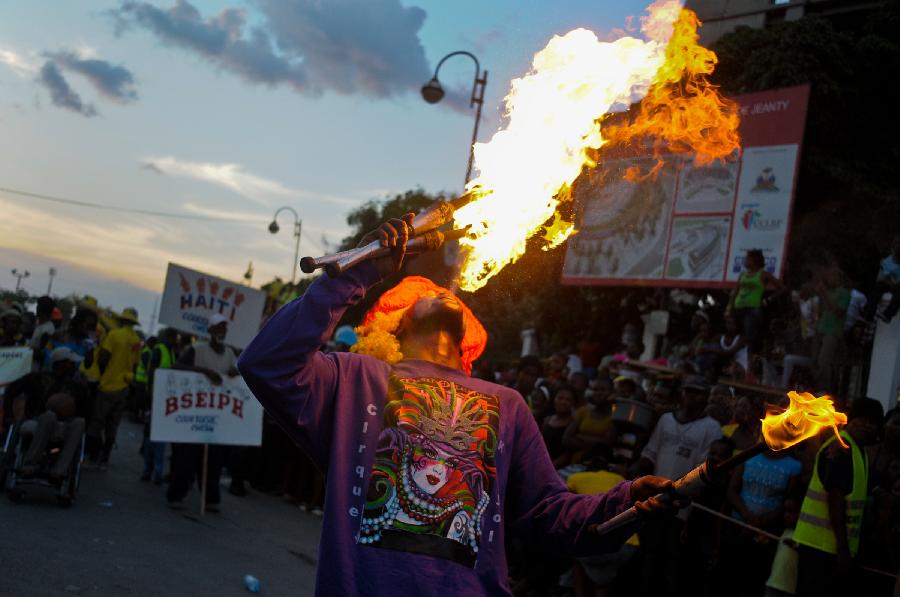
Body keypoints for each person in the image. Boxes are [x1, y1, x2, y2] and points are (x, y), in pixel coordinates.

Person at [237, 214, 677, 596]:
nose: (440, 291)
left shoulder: (508, 403)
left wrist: (625, 501)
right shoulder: (356, 378)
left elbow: (548, 514)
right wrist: (357, 274)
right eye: (418, 290)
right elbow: (266, 362)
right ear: (394, 321)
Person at [635, 375, 722, 596]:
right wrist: (639, 468)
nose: (692, 396)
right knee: (648, 553)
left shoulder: (712, 428)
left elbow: (704, 469)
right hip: (654, 498)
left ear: (706, 397)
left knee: (672, 559)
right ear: (682, 393)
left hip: (683, 504)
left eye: (698, 393)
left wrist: (681, 490)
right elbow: (651, 452)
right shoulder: (666, 419)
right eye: (688, 391)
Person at [794, 397, 884, 596]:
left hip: (829, 547)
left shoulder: (857, 449)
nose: (866, 426)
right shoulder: (841, 447)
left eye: (872, 422)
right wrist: (843, 550)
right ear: (850, 420)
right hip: (821, 548)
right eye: (861, 419)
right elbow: (835, 498)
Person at [167, 314, 239, 511]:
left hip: (217, 415)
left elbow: (237, 374)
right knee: (186, 456)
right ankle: (177, 493)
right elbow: (177, 367)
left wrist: (235, 373)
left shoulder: (230, 354)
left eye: (223, 328)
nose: (221, 332)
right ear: (209, 331)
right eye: (217, 328)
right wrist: (202, 371)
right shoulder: (197, 349)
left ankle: (211, 499)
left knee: (214, 460)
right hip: (194, 412)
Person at [5, 347, 88, 481]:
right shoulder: (36, 378)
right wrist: (9, 416)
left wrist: (85, 389)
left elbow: (84, 411)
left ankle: (59, 470)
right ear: (60, 364)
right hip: (36, 422)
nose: (74, 365)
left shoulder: (74, 385)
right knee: (49, 416)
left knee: (80, 422)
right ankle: (29, 464)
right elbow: (10, 390)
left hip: (62, 425)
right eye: (70, 362)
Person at [87, 307, 141, 466]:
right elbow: (136, 365)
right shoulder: (137, 341)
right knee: (113, 424)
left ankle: (92, 455)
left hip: (108, 385)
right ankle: (105, 458)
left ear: (123, 320)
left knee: (97, 422)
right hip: (124, 386)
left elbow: (103, 358)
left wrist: (103, 376)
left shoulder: (114, 335)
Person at [727, 249, 784, 356]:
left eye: (747, 258)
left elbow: (781, 288)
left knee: (750, 338)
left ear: (754, 260)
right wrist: (729, 307)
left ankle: (750, 365)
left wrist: (769, 299)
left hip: (752, 310)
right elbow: (735, 291)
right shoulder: (743, 274)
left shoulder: (763, 274)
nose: (745, 260)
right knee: (738, 337)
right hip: (738, 309)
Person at [141, 328, 177, 484]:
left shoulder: (172, 352)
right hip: (156, 398)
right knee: (152, 436)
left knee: (159, 436)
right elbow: (151, 373)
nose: (175, 340)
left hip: (166, 399)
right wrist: (151, 396)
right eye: (173, 337)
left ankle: (156, 472)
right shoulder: (159, 350)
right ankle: (150, 470)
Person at [864, 235, 900, 322]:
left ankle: (888, 315)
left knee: (898, 294)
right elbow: (881, 277)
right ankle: (869, 313)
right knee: (876, 289)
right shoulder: (888, 260)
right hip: (887, 283)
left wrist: (890, 278)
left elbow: (896, 282)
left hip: (896, 285)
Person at [541, 385, 576, 467]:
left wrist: (549, 468)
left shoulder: (573, 423)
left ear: (573, 403)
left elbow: (567, 455)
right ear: (554, 399)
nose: (563, 402)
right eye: (560, 398)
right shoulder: (547, 420)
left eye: (568, 400)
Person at [29, 296, 56, 369]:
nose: (36, 308)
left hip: (36, 370)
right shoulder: (39, 325)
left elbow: (43, 354)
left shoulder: (47, 330)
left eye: (38, 306)